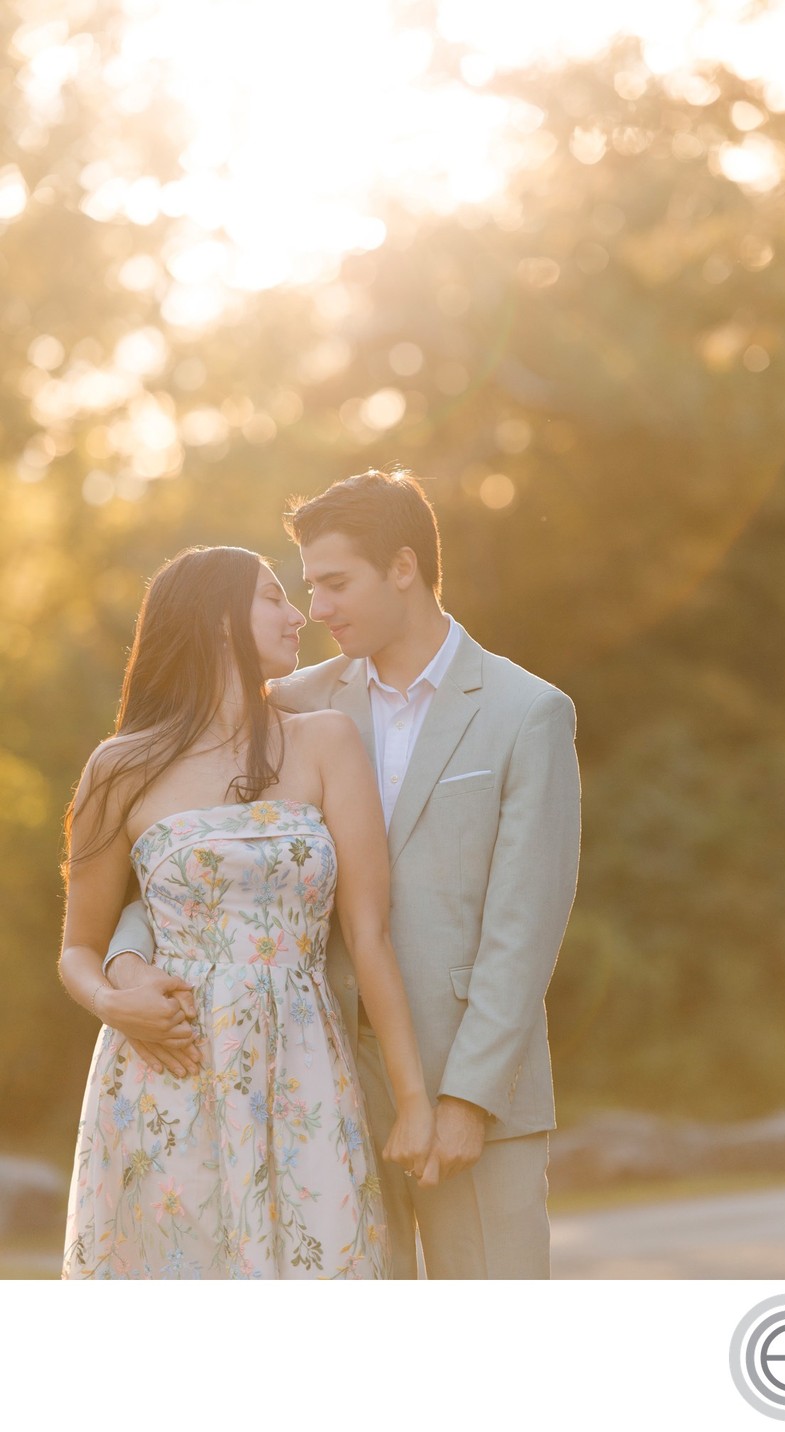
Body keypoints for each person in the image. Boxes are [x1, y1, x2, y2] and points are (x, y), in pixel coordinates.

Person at [109, 471, 581, 1278]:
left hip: (473, 1088)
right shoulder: (290, 702)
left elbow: (523, 929)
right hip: (315, 1092)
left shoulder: (524, 712)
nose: (315, 609)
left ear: (403, 567)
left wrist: (465, 1101)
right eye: (305, 587)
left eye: (335, 582)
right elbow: (178, 844)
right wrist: (126, 962)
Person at [59, 544, 436, 1280]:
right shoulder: (121, 767)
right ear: (216, 618)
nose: (300, 616)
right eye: (274, 597)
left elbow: (369, 936)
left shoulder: (324, 740)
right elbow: (78, 945)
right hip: (167, 1069)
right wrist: (114, 1001)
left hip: (304, 1072)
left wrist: (413, 1099)